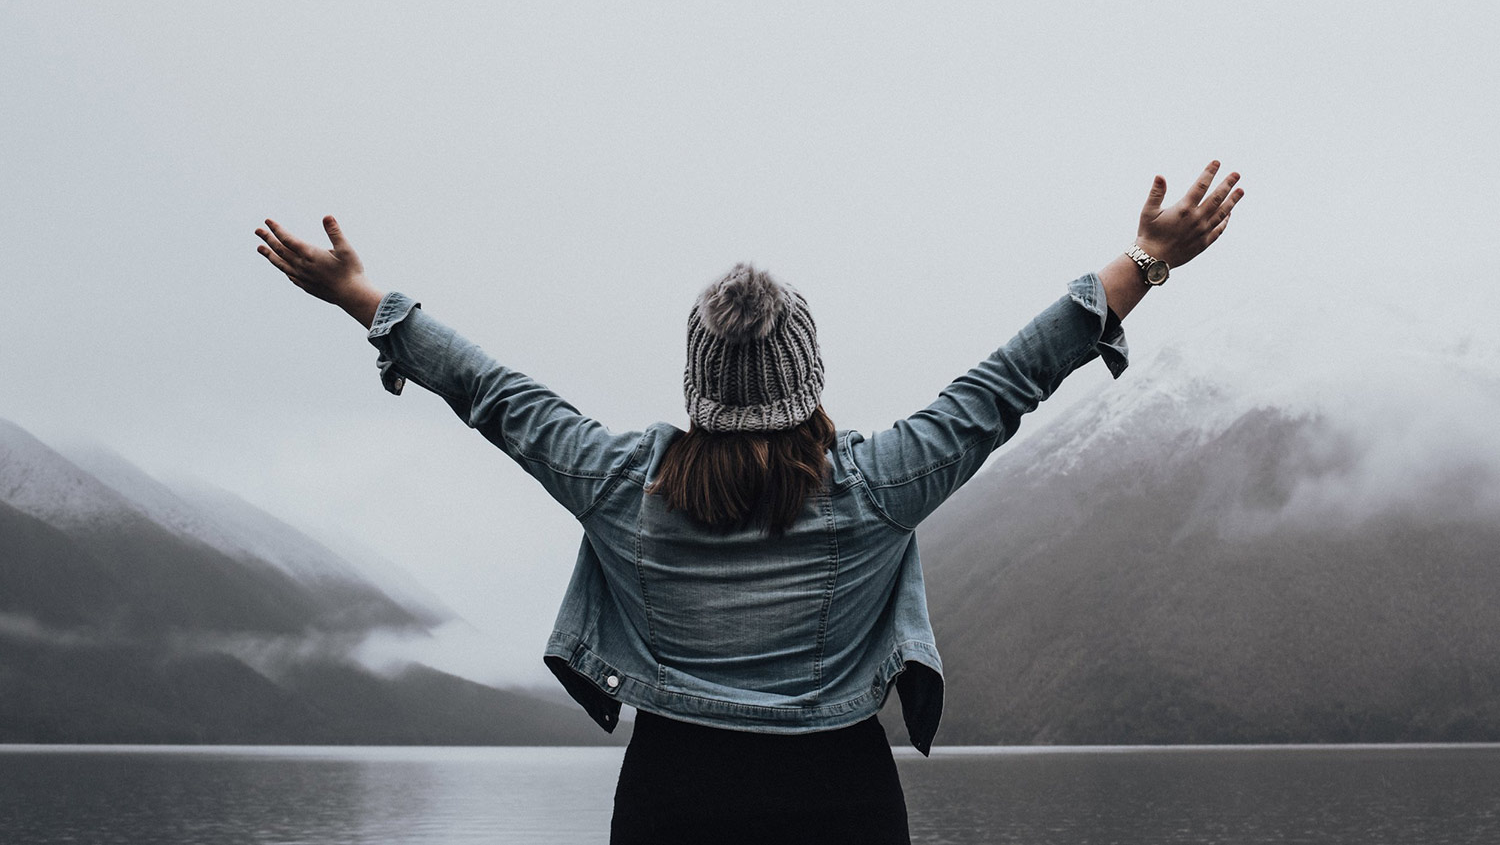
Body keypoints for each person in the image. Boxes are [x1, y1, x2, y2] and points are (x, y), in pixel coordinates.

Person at [256, 162, 1243, 844]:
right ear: (808, 374)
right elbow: (1008, 379)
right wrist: (1145, 263)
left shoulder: (619, 483)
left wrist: (362, 296)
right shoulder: (879, 481)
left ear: (699, 379)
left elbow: (493, 392)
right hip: (839, 795)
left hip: (674, 794)